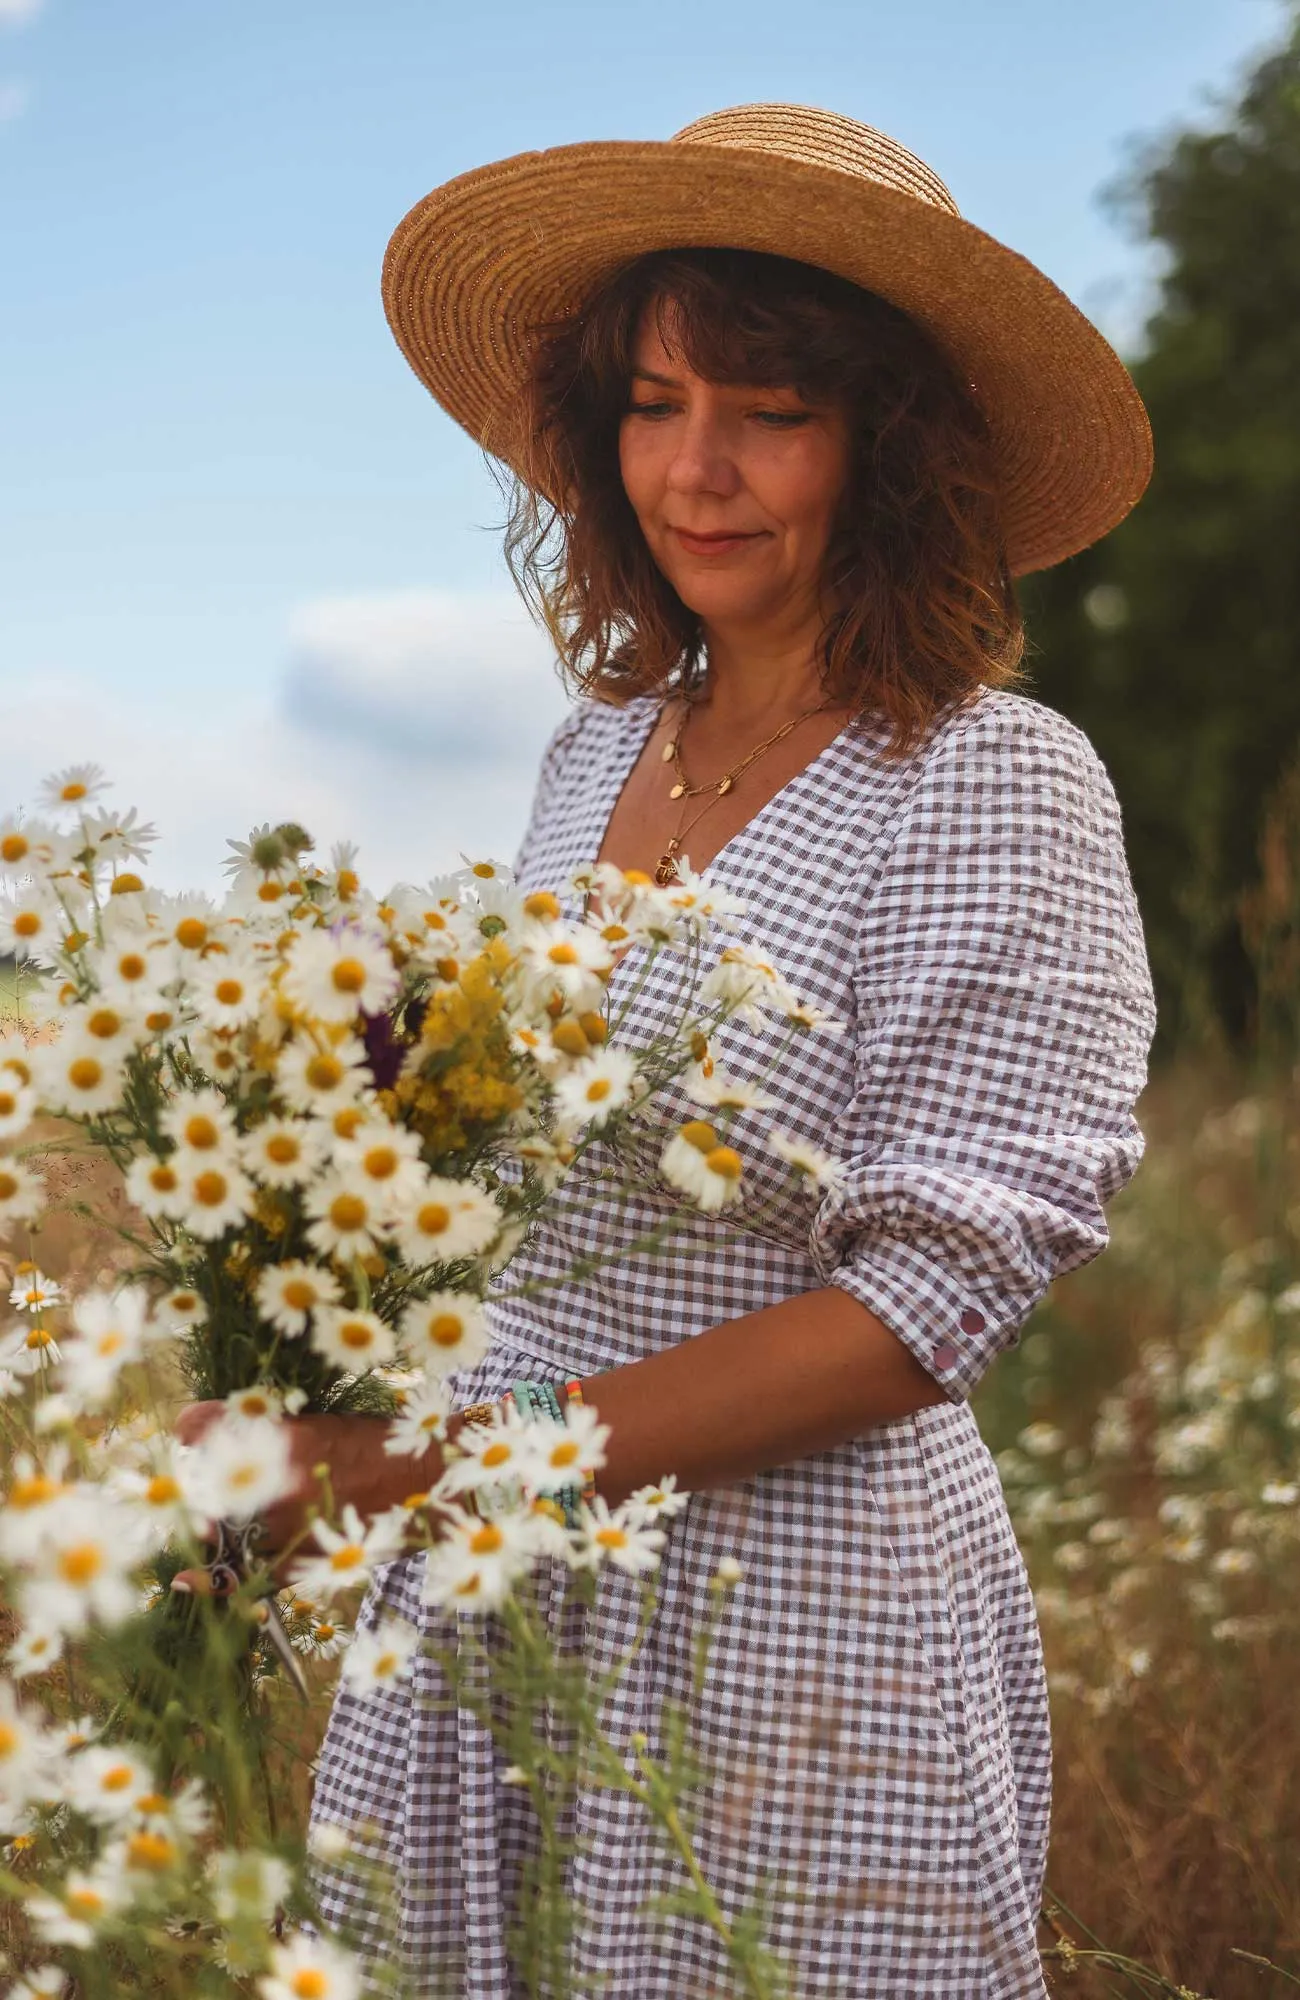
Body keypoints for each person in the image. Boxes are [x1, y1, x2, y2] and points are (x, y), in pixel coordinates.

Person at [262, 106, 1159, 1997]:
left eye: (773, 409)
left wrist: (440, 1473)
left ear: (893, 451)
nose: (698, 471)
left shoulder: (993, 782)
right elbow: (511, 1173)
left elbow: (931, 1302)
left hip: (791, 1624)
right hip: (505, 1603)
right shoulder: (596, 753)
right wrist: (369, 1088)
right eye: (656, 403)